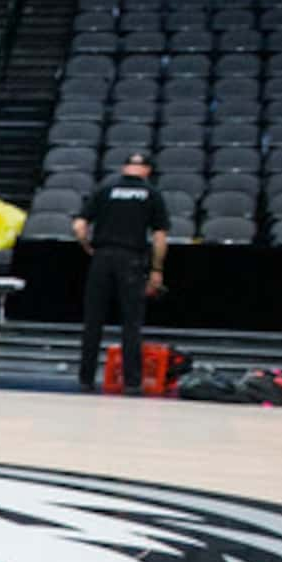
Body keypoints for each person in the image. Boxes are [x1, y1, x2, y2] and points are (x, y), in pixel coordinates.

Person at [73, 151, 172, 394]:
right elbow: (159, 238)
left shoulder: (105, 189)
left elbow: (79, 225)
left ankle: (86, 379)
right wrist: (157, 270)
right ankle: (132, 382)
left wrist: (87, 246)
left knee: (93, 321)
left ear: (124, 168)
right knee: (131, 323)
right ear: (147, 170)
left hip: (102, 258)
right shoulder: (152, 194)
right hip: (131, 260)